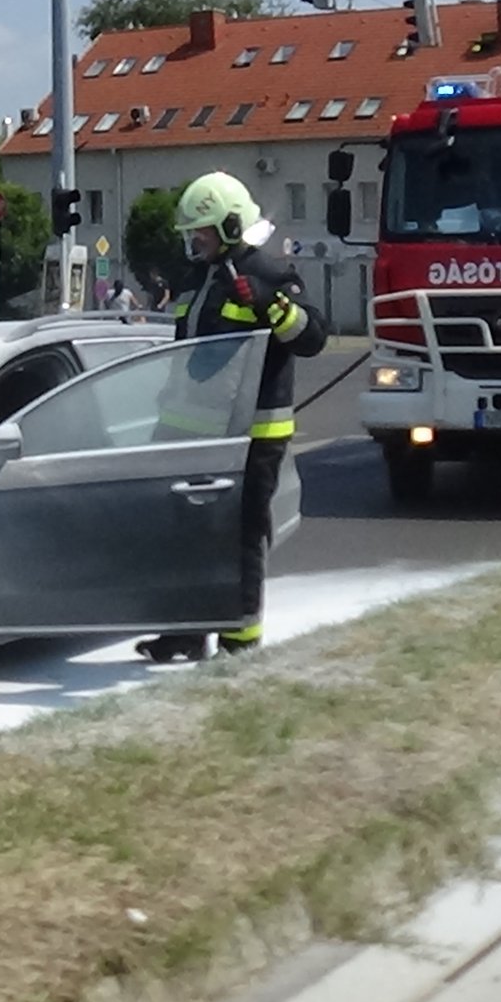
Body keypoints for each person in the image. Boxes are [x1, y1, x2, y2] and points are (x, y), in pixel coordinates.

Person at [137, 171, 328, 663]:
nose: (193, 240)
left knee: (240, 537)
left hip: (252, 434)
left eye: (199, 230)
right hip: (187, 428)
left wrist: (270, 307)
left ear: (228, 225)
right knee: (180, 536)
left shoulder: (268, 271)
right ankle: (186, 631)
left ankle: (240, 641)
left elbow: (313, 338)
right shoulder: (197, 277)